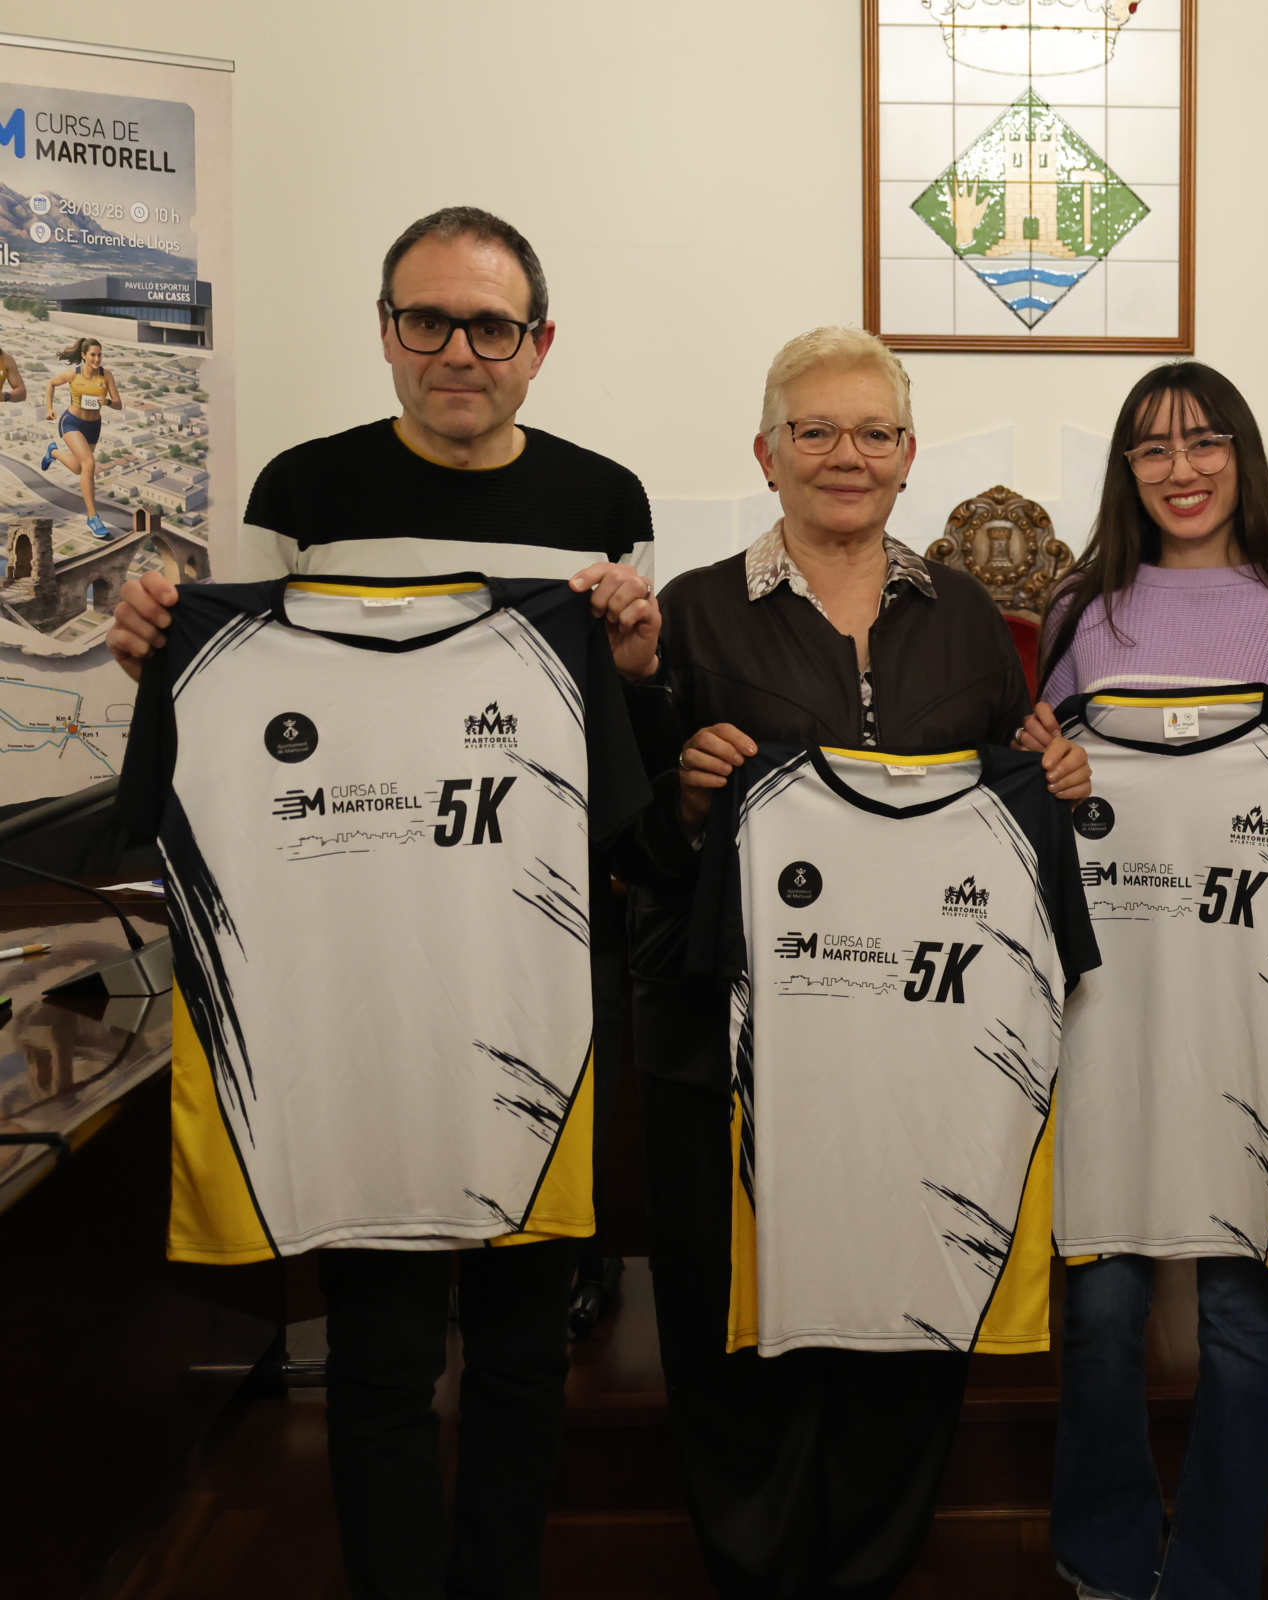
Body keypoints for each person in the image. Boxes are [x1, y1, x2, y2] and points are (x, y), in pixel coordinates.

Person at [104, 205, 661, 1600]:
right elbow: (247, 709)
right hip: (349, 980)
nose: (457, 350)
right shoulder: (303, 486)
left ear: (539, 344)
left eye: (490, 325)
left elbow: (618, 758)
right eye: (427, 319)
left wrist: (638, 671)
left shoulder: (605, 501)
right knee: (383, 1347)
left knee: (526, 1341)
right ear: (386, 331)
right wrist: (159, 651)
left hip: (532, 975)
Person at [634, 325, 1089, 1600]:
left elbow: (1006, 809)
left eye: (875, 432)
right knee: (735, 1342)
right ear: (766, 453)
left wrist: (1054, 776)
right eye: (818, 430)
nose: (848, 455)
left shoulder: (969, 621)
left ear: (908, 454)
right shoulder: (692, 614)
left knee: (908, 1318)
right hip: (734, 1056)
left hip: (924, 1050)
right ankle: (757, 1575)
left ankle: (872, 1572)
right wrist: (684, 797)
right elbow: (633, 844)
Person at [1014, 361, 1268, 1600]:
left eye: (1205, 441)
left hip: (1245, 1011)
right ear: (1127, 470)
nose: (1182, 469)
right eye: (1153, 448)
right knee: (1102, 1312)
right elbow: (1043, 797)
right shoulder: (1081, 612)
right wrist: (1041, 762)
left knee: (1239, 1316)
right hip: (1108, 1002)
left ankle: (1216, 1573)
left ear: (1241, 454)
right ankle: (1105, 1557)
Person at [42, 336, 121, 539]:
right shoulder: (73, 374)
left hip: (93, 427)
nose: (97, 359)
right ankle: (93, 517)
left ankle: (53, 452)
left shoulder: (106, 375)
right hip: (72, 423)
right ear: (84, 355)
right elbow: (51, 383)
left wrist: (108, 402)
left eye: (100, 355)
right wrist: (49, 408)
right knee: (89, 464)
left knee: (79, 468)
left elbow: (119, 404)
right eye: (93, 355)